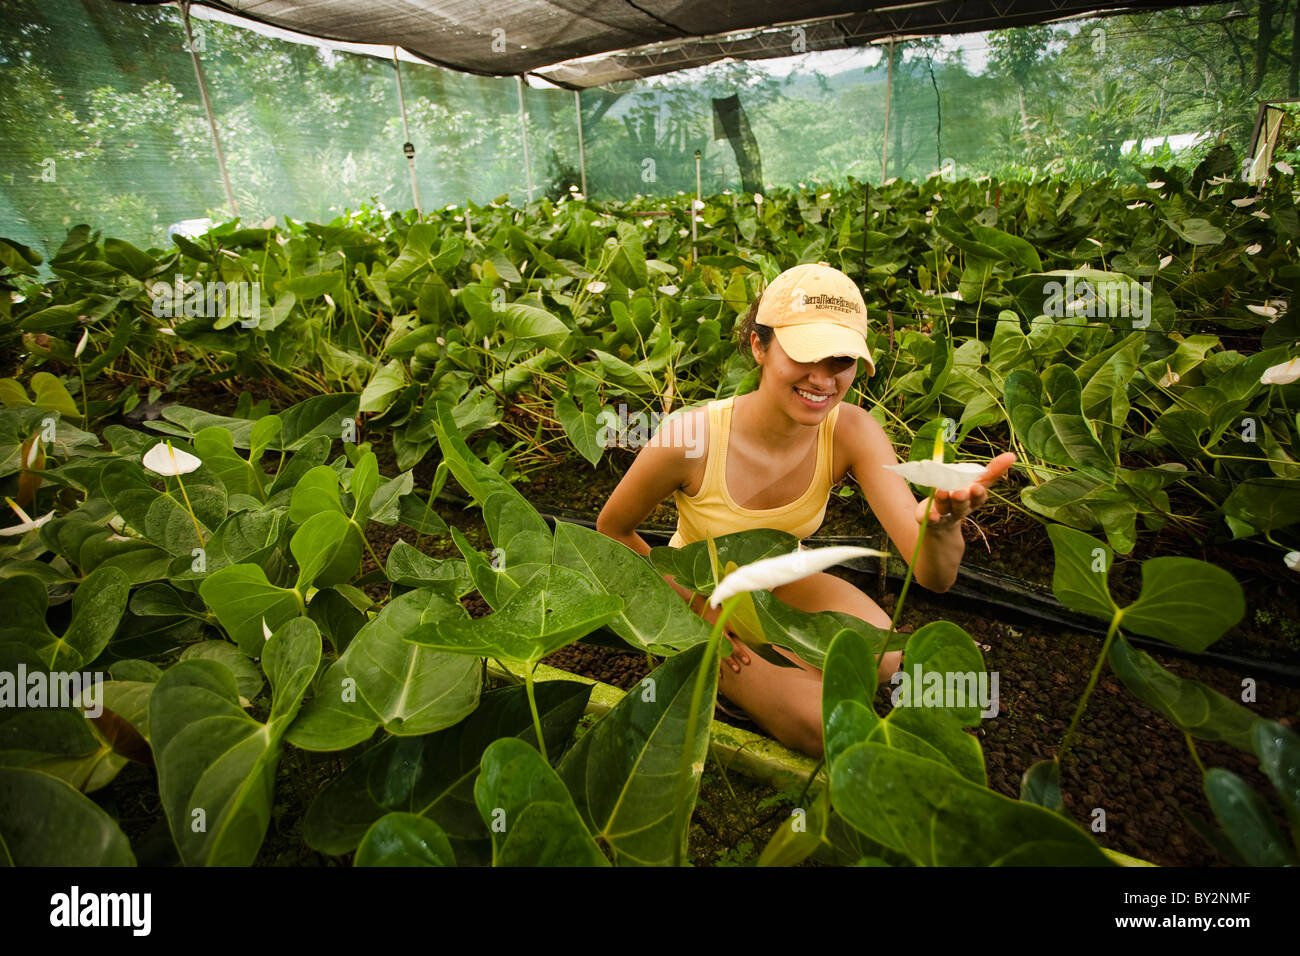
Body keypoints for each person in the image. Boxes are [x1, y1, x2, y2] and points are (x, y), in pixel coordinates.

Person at [595, 263, 1015, 757]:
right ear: (759, 346)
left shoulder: (851, 431)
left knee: (887, 656)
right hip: (706, 597)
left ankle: (783, 675)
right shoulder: (692, 438)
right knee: (823, 726)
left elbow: (933, 576)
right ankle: (738, 685)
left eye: (840, 359)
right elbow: (611, 531)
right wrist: (690, 604)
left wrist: (942, 526)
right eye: (804, 355)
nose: (823, 378)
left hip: (784, 582)